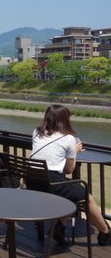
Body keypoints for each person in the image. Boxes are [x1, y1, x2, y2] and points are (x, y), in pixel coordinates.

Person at [31, 104, 110, 246]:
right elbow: (69, 170)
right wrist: (75, 151)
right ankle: (105, 231)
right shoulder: (69, 139)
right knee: (86, 194)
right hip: (51, 183)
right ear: (65, 120)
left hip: (33, 182)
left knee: (66, 190)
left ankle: (60, 227)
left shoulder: (36, 132)